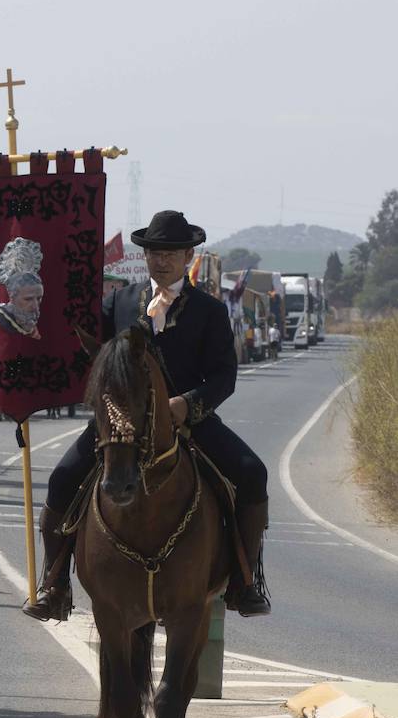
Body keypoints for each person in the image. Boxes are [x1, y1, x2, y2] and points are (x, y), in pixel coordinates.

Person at [24, 210, 272, 622]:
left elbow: (225, 376)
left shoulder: (209, 311)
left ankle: (246, 581)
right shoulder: (119, 302)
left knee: (252, 472)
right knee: (63, 478)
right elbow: (89, 352)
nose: (162, 260)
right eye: (155, 252)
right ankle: (55, 583)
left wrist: (186, 404)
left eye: (171, 253)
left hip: (187, 420)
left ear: (189, 255)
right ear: (146, 255)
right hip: (122, 420)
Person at [0, 237, 46, 339]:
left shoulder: (28, 321)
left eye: (39, 298)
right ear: (12, 296)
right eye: (28, 299)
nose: (35, 307)